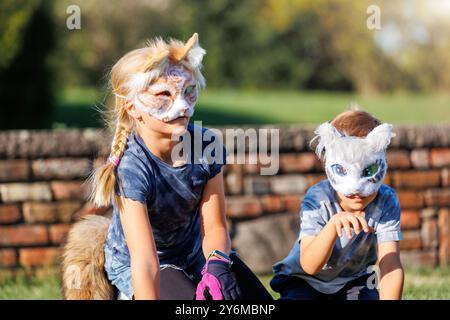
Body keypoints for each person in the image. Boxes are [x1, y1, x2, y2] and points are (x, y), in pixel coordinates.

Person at [88, 33, 272, 300]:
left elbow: (216, 226)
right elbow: (145, 261)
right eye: (163, 94)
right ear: (133, 107)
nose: (182, 105)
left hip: (197, 256)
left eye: (189, 91)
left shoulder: (206, 145)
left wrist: (218, 265)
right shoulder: (131, 167)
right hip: (147, 267)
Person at [270, 109, 404, 300]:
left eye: (368, 170)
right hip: (305, 281)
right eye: (344, 170)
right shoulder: (318, 199)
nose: (356, 188)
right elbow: (309, 265)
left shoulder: (386, 201)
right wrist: (332, 226)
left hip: (355, 282)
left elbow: (390, 264)